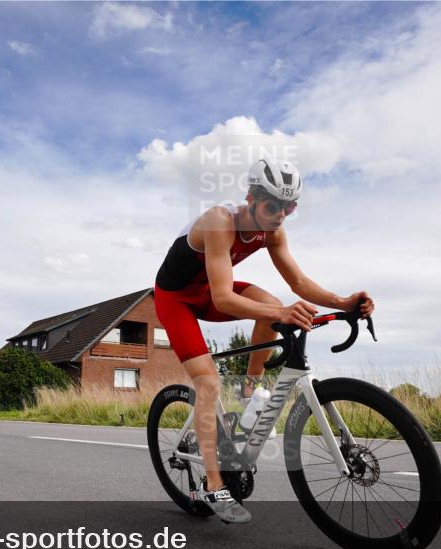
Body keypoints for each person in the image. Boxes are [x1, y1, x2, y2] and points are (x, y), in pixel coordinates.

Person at [153, 158, 375, 523]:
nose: (280, 215)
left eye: (289, 207)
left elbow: (298, 284)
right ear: (251, 198)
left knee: (271, 303)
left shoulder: (274, 232)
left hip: (208, 288)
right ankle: (212, 485)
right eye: (273, 205)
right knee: (208, 383)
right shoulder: (219, 222)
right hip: (176, 298)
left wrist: (341, 301)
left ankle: (248, 392)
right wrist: (281, 314)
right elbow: (224, 298)